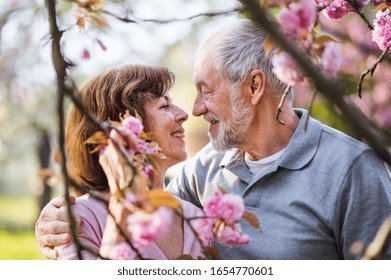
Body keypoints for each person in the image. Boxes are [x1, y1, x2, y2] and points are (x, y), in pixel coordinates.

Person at [36, 20, 391, 260]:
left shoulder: (352, 169)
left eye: (205, 91)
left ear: (253, 87)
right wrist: (56, 218)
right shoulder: (200, 174)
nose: (194, 108)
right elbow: (141, 209)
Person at [43, 64, 205, 259]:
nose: (183, 114)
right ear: (122, 129)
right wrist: (122, 214)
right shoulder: (80, 218)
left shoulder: (196, 217)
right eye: (165, 106)